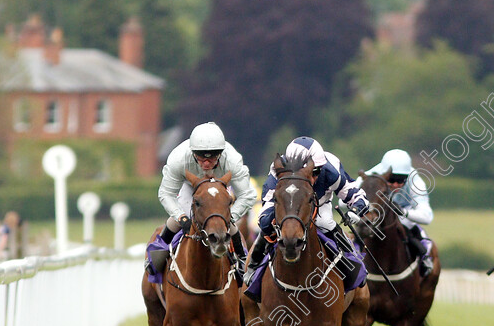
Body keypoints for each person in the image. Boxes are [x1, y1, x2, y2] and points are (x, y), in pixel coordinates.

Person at [245, 136, 369, 289]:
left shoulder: (331, 170)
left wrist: (356, 209)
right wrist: (267, 219)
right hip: (287, 206)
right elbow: (268, 201)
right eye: (310, 171)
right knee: (266, 225)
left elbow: (354, 193)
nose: (313, 177)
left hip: (319, 203)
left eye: (316, 171)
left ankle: (353, 261)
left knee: (325, 222)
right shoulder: (278, 169)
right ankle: (253, 265)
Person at [147, 122, 257, 276]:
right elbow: (166, 193)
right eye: (200, 156)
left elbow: (248, 195)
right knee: (182, 218)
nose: (206, 162)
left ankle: (241, 259)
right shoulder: (178, 159)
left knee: (225, 223)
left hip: (218, 188)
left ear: (220, 153)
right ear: (192, 152)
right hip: (190, 187)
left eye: (212, 157)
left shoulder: (232, 160)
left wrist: (230, 216)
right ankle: (158, 254)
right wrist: (181, 217)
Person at [364, 149, 435, 276]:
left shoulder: (416, 182)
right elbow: (343, 202)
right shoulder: (372, 174)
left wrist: (403, 212)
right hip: (377, 213)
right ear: (383, 174)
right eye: (391, 179)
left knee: (411, 227)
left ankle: (425, 257)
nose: (396, 184)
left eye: (401, 180)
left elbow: (427, 217)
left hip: (404, 214)